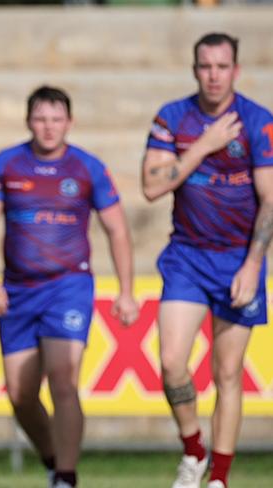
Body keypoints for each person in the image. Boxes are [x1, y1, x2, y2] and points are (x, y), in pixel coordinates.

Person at [0, 85, 139, 488]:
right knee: (20, 395)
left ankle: (66, 476)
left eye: (56, 119)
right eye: (41, 119)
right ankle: (52, 461)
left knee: (64, 381)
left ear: (70, 122)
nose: (48, 128)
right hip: (17, 292)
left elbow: (116, 229)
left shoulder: (88, 168)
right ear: (29, 121)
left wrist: (127, 290)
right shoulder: (7, 164)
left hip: (69, 287)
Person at [142, 32, 273, 488]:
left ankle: (218, 477)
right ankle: (193, 449)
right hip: (187, 259)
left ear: (236, 70)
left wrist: (254, 265)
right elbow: (153, 186)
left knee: (227, 372)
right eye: (205, 66)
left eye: (222, 67)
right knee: (173, 361)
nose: (213, 75)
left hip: (240, 260)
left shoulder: (258, 121)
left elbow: (270, 199)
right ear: (194, 69)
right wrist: (204, 145)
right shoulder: (173, 118)